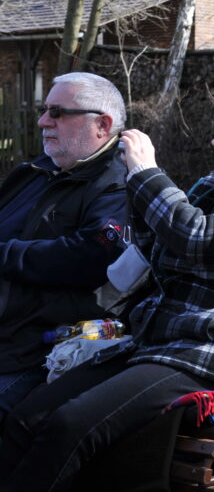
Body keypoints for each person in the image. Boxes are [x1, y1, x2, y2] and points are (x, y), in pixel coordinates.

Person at [0, 93, 214, 492]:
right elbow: (159, 245)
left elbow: (196, 238)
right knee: (27, 416)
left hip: (211, 353)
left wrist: (147, 172)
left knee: (70, 425)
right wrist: (134, 184)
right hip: (158, 343)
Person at [0, 72, 127, 420]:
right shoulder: (37, 170)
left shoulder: (121, 183)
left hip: (35, 349)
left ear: (102, 124)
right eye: (44, 110)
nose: (43, 121)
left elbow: (92, 256)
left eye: (57, 112)